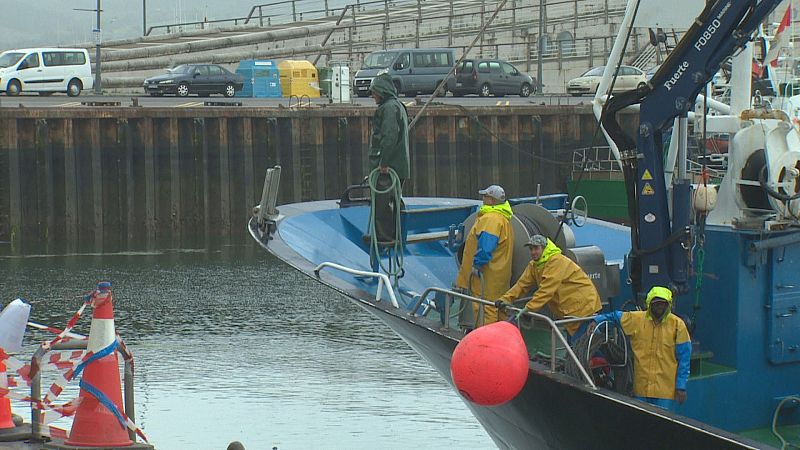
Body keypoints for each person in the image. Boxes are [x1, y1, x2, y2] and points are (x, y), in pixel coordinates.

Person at [591, 286, 691, 410]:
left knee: (661, 424)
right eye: (656, 303)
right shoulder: (636, 319)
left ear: (668, 305)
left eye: (663, 304)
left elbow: (684, 358)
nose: (660, 307)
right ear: (649, 304)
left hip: (664, 392)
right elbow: (615, 316)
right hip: (641, 390)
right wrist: (596, 321)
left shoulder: (678, 325)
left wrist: (681, 387)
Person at [501, 234, 601, 342]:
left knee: (586, 342)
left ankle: (600, 357)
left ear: (544, 248)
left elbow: (547, 290)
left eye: (536, 248)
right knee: (579, 343)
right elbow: (522, 284)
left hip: (582, 306)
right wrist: (506, 299)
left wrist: (528, 308)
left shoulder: (556, 261)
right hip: (569, 309)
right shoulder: (534, 265)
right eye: (531, 249)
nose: (533, 252)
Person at [455, 185, 514, 326]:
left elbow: (486, 247)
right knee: (500, 310)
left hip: (486, 278)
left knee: (486, 310)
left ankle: (486, 345)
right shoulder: (504, 219)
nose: (482, 199)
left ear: (492, 201)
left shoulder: (490, 219)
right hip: (499, 278)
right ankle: (501, 342)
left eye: (485, 196)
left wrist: (476, 265)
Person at [367, 73, 410, 243]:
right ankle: (396, 233)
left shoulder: (389, 108)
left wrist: (383, 162)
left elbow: (389, 137)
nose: (372, 96)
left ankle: (384, 238)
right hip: (399, 165)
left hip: (389, 166)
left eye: (374, 92)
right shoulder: (397, 106)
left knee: (382, 201)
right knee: (393, 200)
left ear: (382, 91)